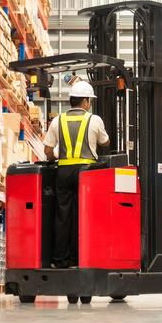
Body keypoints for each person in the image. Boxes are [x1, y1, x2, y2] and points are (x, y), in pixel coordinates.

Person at [43, 81, 110, 269]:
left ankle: (60, 260)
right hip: (87, 174)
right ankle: (81, 258)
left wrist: (55, 157)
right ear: (86, 102)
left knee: (63, 216)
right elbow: (105, 142)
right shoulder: (94, 120)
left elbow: (48, 150)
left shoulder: (57, 121)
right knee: (84, 215)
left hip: (63, 172)